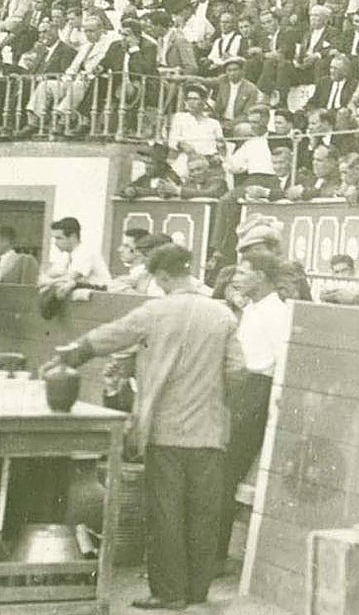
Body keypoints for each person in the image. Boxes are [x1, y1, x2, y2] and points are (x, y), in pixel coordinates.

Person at [47, 244, 243, 611]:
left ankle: (169, 594)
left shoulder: (156, 310)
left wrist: (74, 352)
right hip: (210, 432)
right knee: (203, 513)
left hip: (166, 430)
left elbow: (112, 335)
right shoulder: (222, 314)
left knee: (166, 512)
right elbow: (237, 370)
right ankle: (197, 592)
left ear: (164, 276)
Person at [215, 249, 290, 566]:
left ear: (261, 276)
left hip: (256, 392)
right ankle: (213, 555)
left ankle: (214, 558)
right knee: (222, 473)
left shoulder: (276, 312)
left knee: (225, 473)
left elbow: (282, 362)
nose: (236, 278)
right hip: (243, 390)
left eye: (243, 273)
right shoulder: (257, 308)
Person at [39, 216, 111, 295]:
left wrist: (48, 282)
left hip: (103, 298)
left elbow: (69, 278)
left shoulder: (86, 252)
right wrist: (46, 279)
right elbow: (49, 274)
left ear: (73, 237)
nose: (55, 243)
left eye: (59, 238)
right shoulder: (66, 255)